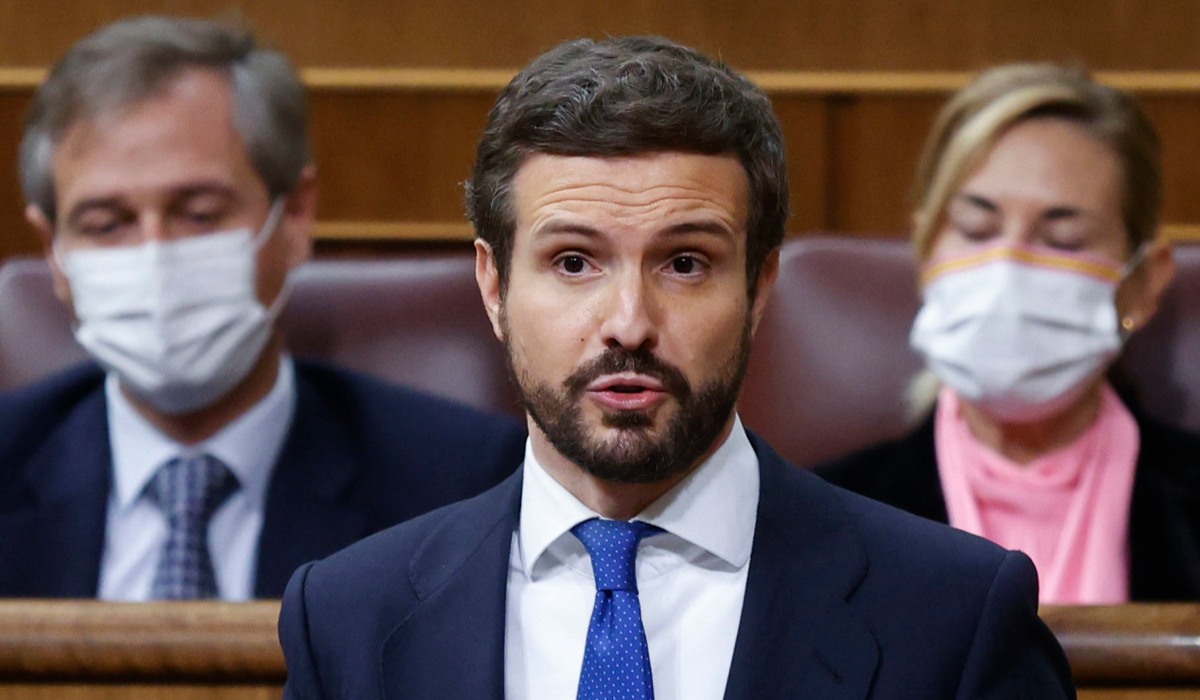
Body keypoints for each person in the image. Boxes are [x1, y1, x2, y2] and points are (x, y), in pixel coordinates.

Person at [277, 37, 1074, 698]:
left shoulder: (953, 616)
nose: (629, 324)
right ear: (493, 285)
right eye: (574, 263)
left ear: (761, 286)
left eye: (686, 263)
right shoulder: (348, 617)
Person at [0, 15, 525, 600]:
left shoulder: (461, 483)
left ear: (295, 217)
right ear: (53, 249)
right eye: (106, 224)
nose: (155, 258)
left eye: (199, 213)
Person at [818, 63, 1200, 603]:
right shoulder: (822, 517)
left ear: (1141, 283)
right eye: (976, 229)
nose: (1008, 270)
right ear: (927, 251)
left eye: (1063, 238)